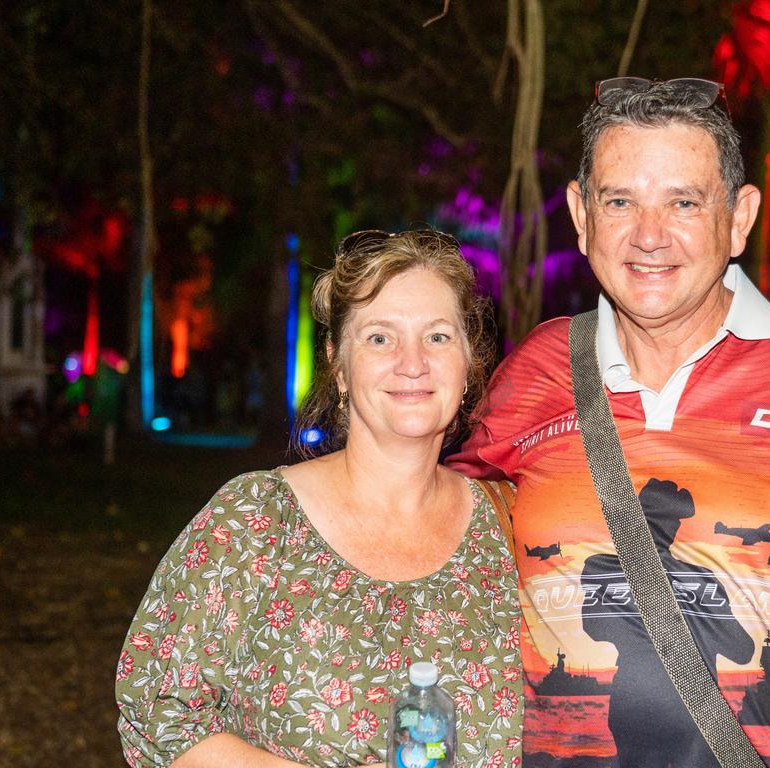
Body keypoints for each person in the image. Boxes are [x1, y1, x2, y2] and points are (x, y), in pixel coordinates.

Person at [449, 77, 770, 767]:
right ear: (581, 214)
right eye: (620, 201)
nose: (649, 236)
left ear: (739, 218)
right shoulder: (532, 375)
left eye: (684, 201)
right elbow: (436, 537)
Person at [117, 230, 523, 768]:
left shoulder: (515, 524)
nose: (412, 362)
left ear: (469, 363)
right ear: (338, 364)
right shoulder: (255, 522)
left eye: (438, 337)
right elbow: (158, 713)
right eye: (380, 338)